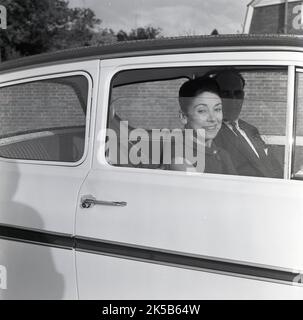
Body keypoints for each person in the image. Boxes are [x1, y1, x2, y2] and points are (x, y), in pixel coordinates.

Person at [213, 69, 283, 178]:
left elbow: (274, 165)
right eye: (225, 94)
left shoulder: (251, 129)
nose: (233, 99)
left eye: (238, 93)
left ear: (243, 96)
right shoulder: (212, 134)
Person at [167, 77, 236, 175]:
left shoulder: (222, 154)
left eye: (217, 109)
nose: (212, 118)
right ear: (184, 116)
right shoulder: (180, 160)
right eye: (202, 111)